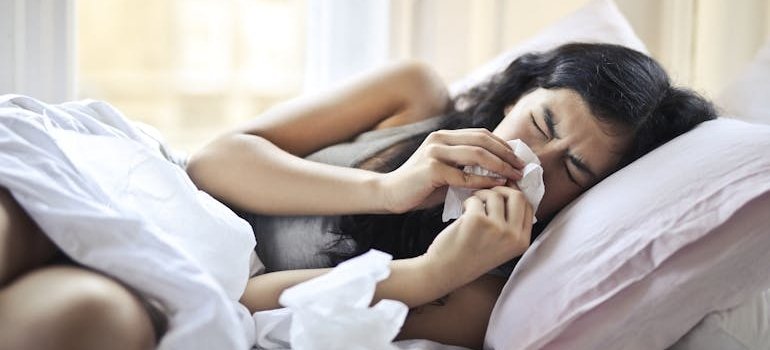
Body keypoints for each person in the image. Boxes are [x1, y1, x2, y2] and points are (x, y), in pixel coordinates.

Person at [0, 43, 715, 350]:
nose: (537, 157)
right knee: (16, 220)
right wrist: (390, 188)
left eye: (576, 172)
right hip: (160, 198)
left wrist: (432, 272)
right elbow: (215, 162)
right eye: (544, 122)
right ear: (524, 88)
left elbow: (246, 303)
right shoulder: (414, 96)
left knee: (86, 315)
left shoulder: (482, 282)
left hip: (196, 278)